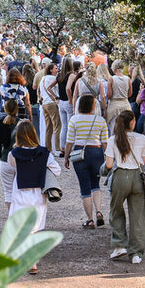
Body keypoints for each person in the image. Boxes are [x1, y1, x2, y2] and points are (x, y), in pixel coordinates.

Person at [8, 120, 60, 274]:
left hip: (20, 191)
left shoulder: (14, 153)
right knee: (35, 227)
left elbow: (12, 166)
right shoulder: (44, 152)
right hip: (38, 192)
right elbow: (57, 170)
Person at [104, 110, 145, 265]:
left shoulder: (113, 139)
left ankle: (120, 244)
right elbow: (144, 160)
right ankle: (136, 253)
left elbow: (109, 164)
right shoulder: (141, 138)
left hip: (120, 176)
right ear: (132, 122)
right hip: (137, 177)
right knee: (138, 215)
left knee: (116, 210)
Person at [64, 94, 108, 229]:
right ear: (93, 106)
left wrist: (66, 157)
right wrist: (107, 158)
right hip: (97, 152)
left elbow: (69, 141)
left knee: (84, 187)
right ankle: (99, 211)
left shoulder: (74, 120)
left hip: (79, 153)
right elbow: (105, 142)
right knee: (96, 184)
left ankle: (90, 220)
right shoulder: (100, 120)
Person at [0, 99, 22, 209]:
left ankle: (11, 216)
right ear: (17, 109)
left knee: (8, 191)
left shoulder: (1, 122)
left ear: (5, 109)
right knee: (20, 190)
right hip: (19, 160)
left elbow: (0, 141)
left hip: (5, 159)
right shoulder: (22, 123)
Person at [106, 61, 132, 130]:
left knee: (114, 129)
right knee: (126, 130)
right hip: (126, 105)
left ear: (114, 68)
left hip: (114, 106)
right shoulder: (128, 79)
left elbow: (109, 95)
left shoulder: (111, 79)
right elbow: (130, 94)